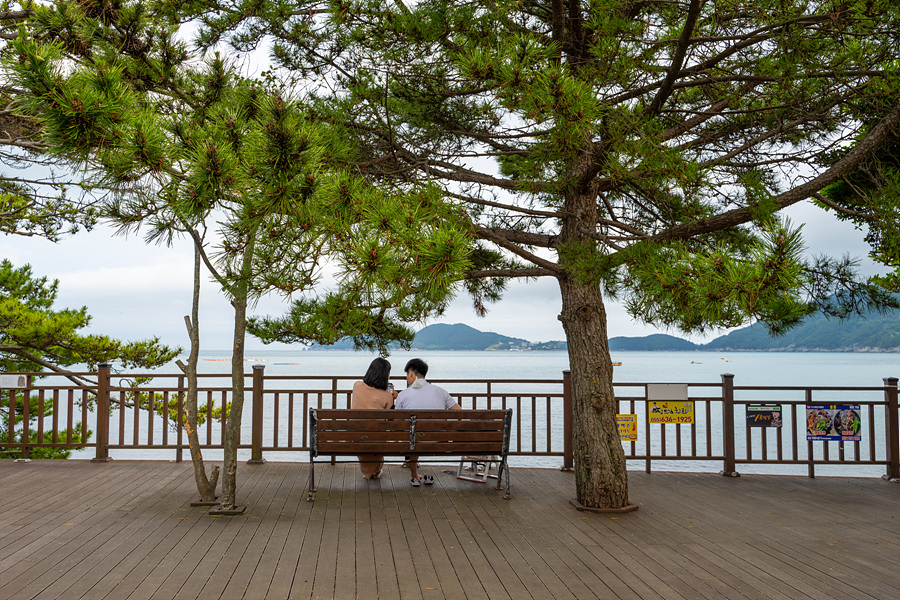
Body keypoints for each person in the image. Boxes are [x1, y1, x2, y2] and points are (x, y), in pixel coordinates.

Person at [394, 358, 461, 487]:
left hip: (413, 442)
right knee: (416, 436)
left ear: (411, 374)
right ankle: (415, 474)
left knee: (412, 437)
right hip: (438, 440)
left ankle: (414, 475)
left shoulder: (403, 395)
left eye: (407, 375)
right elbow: (460, 413)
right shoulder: (441, 391)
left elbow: (398, 424)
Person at [350, 357, 398, 480]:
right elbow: (389, 417)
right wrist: (392, 397)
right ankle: (375, 471)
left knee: (369, 438)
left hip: (355, 438)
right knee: (380, 437)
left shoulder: (357, 386)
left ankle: (371, 471)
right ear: (385, 375)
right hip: (376, 441)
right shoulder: (387, 396)